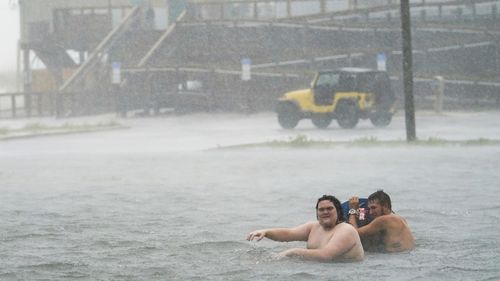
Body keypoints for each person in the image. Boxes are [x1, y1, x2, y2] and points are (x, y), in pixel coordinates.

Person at [246, 195, 364, 262]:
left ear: (338, 211)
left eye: (329, 209)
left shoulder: (346, 230)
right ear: (317, 213)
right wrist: (266, 232)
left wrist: (293, 252)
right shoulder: (313, 227)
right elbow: (288, 234)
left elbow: (326, 255)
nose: (325, 212)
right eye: (321, 210)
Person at [348, 190, 415, 252]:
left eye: (374, 208)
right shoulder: (399, 218)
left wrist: (352, 211)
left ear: (385, 206)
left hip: (395, 257)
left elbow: (353, 233)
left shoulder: (383, 220)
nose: (370, 212)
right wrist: (360, 216)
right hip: (405, 255)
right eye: (369, 209)